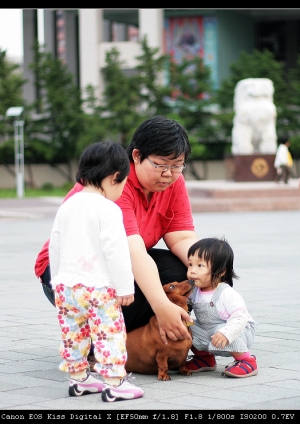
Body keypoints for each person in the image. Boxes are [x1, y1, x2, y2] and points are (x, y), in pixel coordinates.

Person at [35, 116, 197, 360]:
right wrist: (161, 306)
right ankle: (101, 342)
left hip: (117, 260)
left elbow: (182, 236)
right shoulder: (113, 182)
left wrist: (210, 272)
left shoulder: (174, 182)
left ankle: (134, 335)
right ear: (136, 156)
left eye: (177, 166)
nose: (168, 174)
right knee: (128, 296)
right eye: (160, 165)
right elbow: (130, 250)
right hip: (71, 271)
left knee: (187, 274)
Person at [49, 141, 144, 402]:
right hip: (98, 288)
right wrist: (125, 287)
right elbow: (116, 250)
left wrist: (57, 280)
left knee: (73, 332)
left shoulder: (67, 205)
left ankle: (79, 379)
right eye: (123, 182)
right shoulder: (109, 209)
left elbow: (54, 244)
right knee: (109, 332)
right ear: (115, 177)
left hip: (66, 287)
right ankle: (115, 382)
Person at [185, 237, 258, 378]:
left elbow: (240, 317)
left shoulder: (226, 293)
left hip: (238, 330)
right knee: (187, 328)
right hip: (208, 330)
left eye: (200, 266)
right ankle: (205, 358)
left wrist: (226, 332)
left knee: (220, 329)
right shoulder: (194, 291)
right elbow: (185, 308)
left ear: (221, 271)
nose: (192, 271)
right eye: (190, 265)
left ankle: (247, 360)